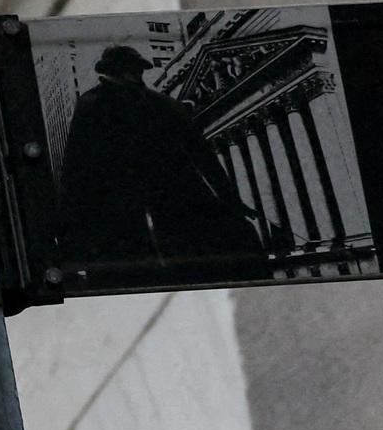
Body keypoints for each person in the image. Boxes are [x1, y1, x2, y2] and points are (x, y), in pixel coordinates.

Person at [55, 45, 279, 282]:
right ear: (118, 70)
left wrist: (231, 200)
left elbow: (202, 156)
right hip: (136, 214)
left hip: (157, 211)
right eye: (133, 70)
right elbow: (76, 169)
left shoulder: (145, 104)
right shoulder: (139, 104)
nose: (137, 75)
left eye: (138, 70)